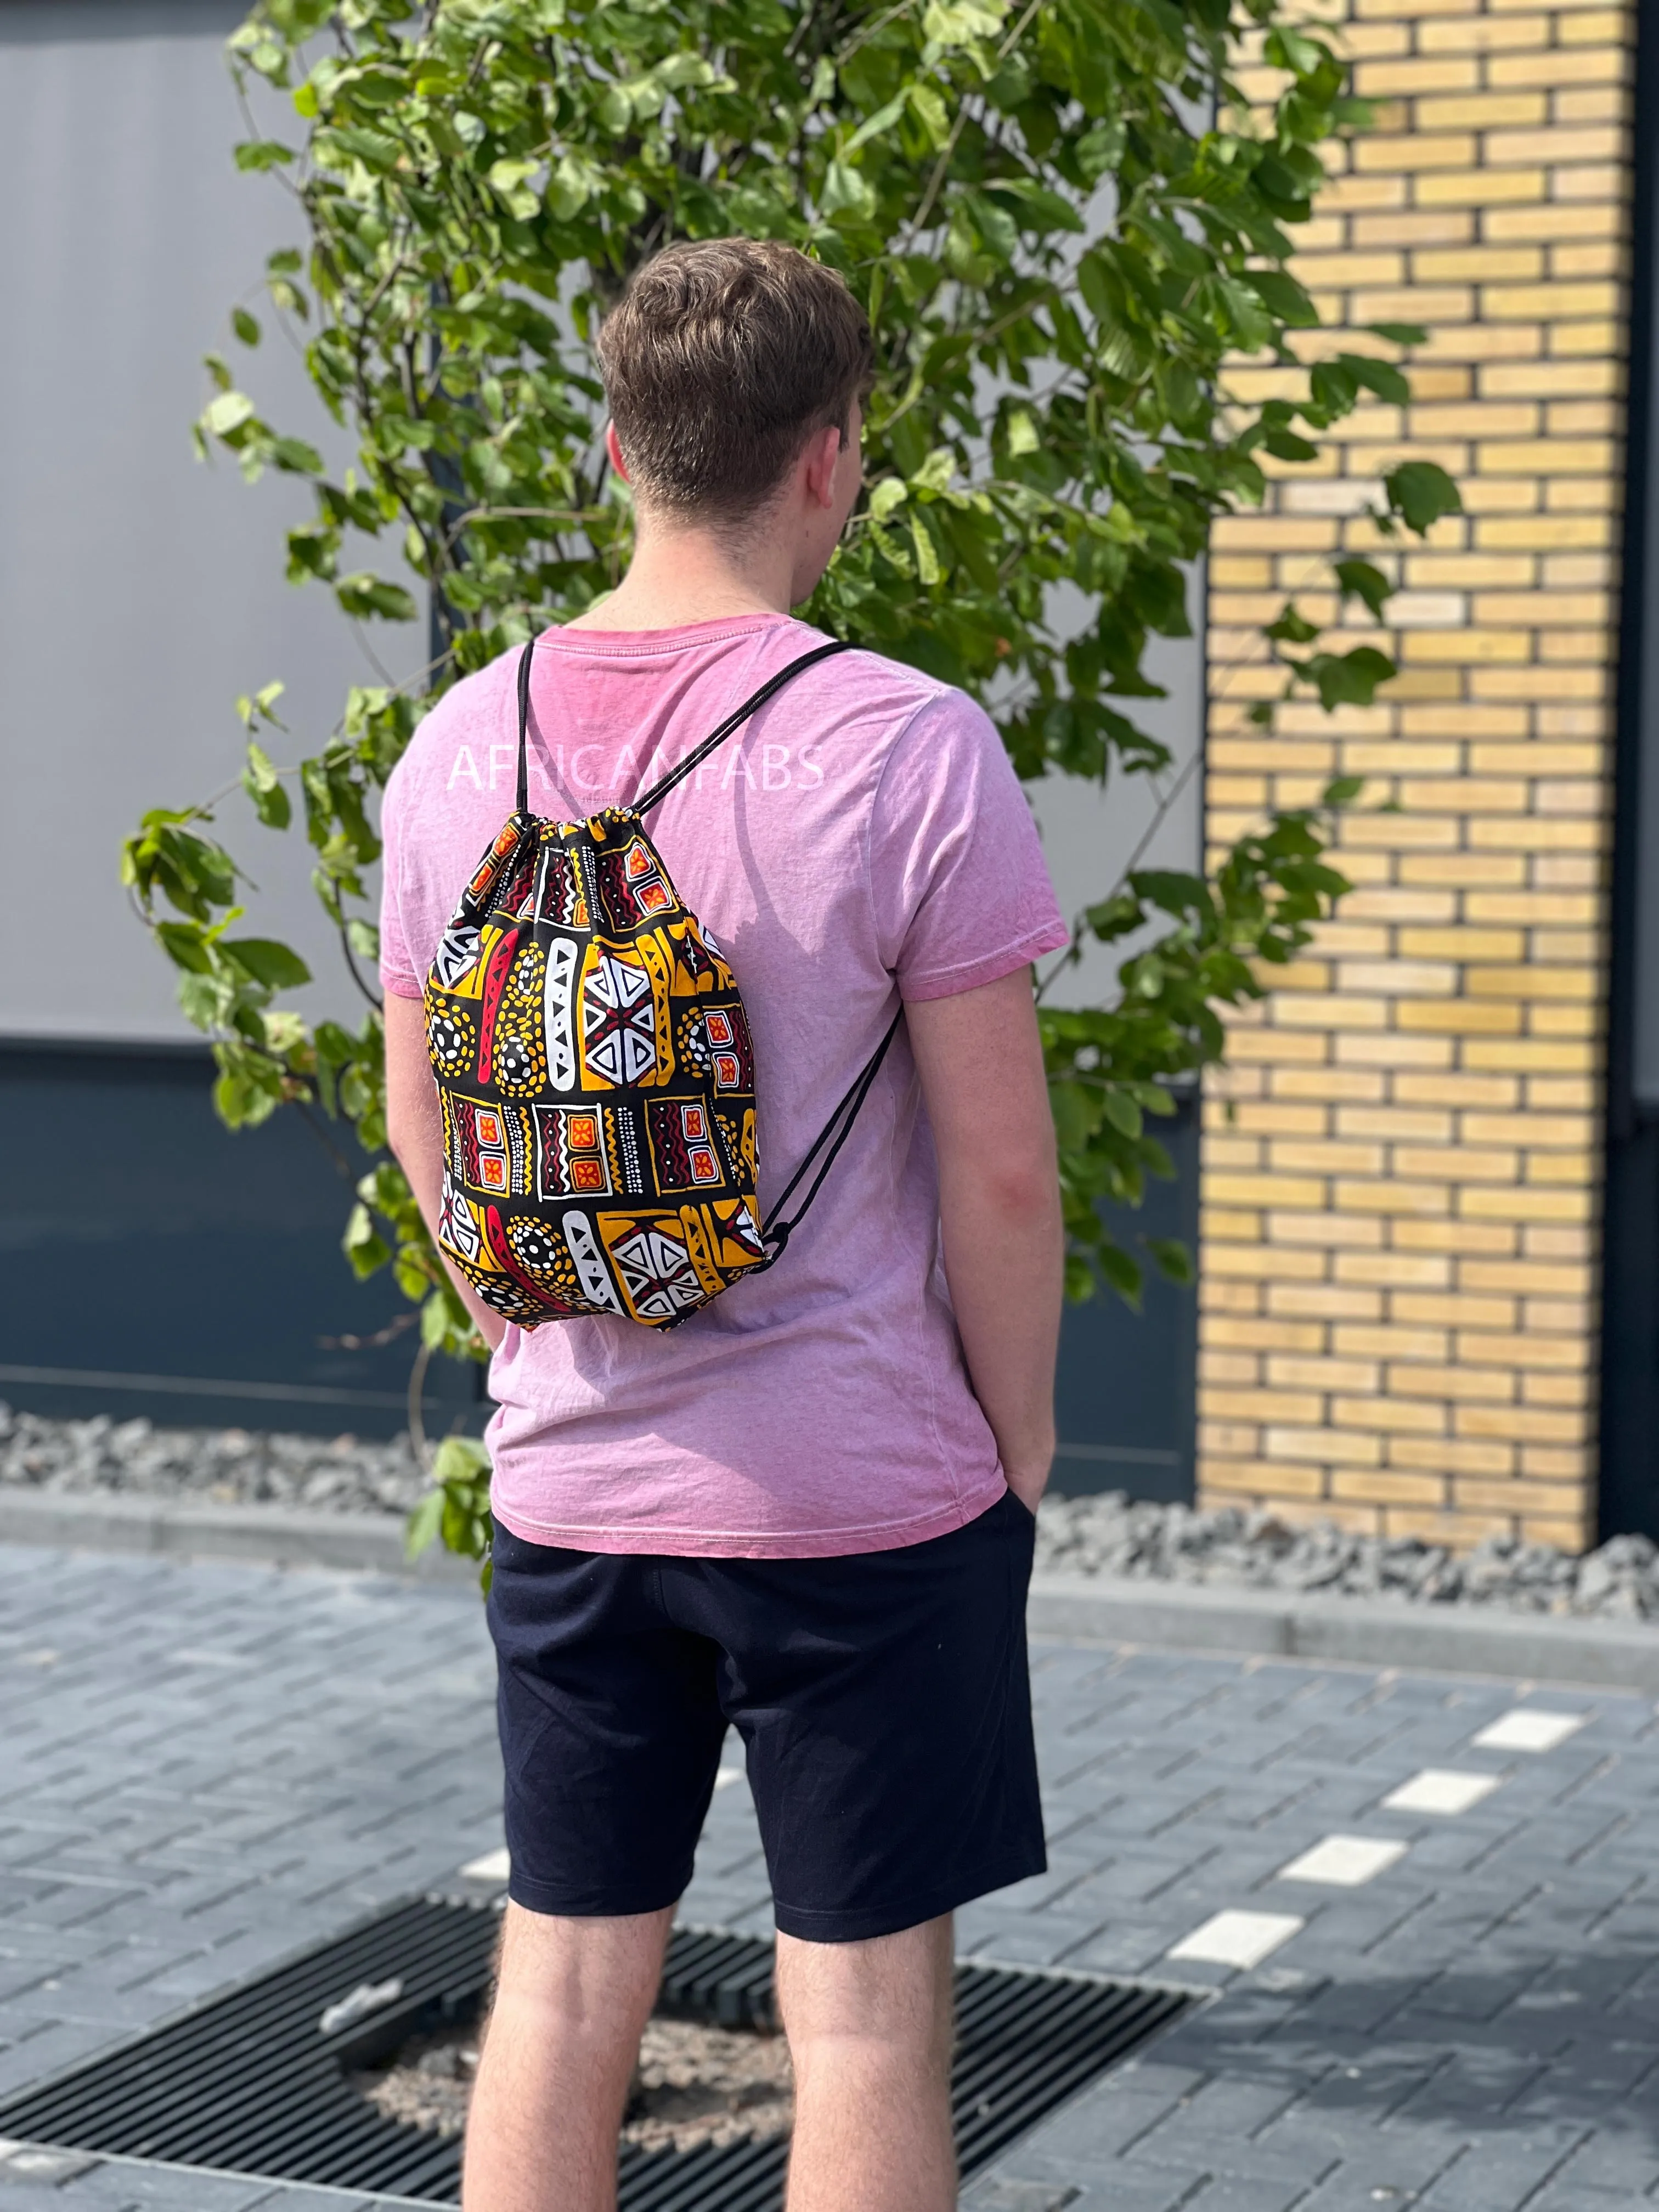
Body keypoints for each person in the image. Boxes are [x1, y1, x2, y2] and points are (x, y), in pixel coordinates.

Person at [380, 237, 1068, 2212]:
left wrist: (539, 1342)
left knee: (565, 1987)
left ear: (615, 452)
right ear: (832, 462)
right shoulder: (904, 745)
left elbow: (427, 1119)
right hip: (859, 1491)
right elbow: (1005, 1171)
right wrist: (1008, 1440)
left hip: (574, 1484)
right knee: (855, 2025)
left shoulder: (462, 742)